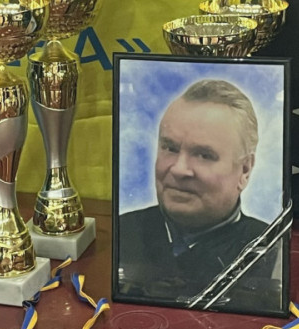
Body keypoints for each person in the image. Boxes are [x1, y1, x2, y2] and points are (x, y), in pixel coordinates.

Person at [116, 78, 286, 314]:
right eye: (170, 148)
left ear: (245, 170)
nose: (179, 169)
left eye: (204, 155)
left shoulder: (271, 252)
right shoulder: (121, 233)